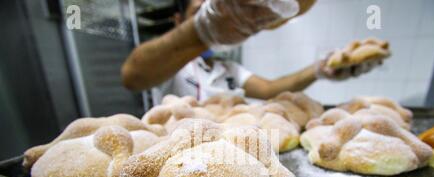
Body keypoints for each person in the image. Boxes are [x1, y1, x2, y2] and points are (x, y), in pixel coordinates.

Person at [121, 0, 382, 103]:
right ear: (179, 21)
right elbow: (133, 75)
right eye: (200, 10)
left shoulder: (227, 69)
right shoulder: (171, 68)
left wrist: (318, 69)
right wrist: (201, 30)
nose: (219, 17)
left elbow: (270, 89)